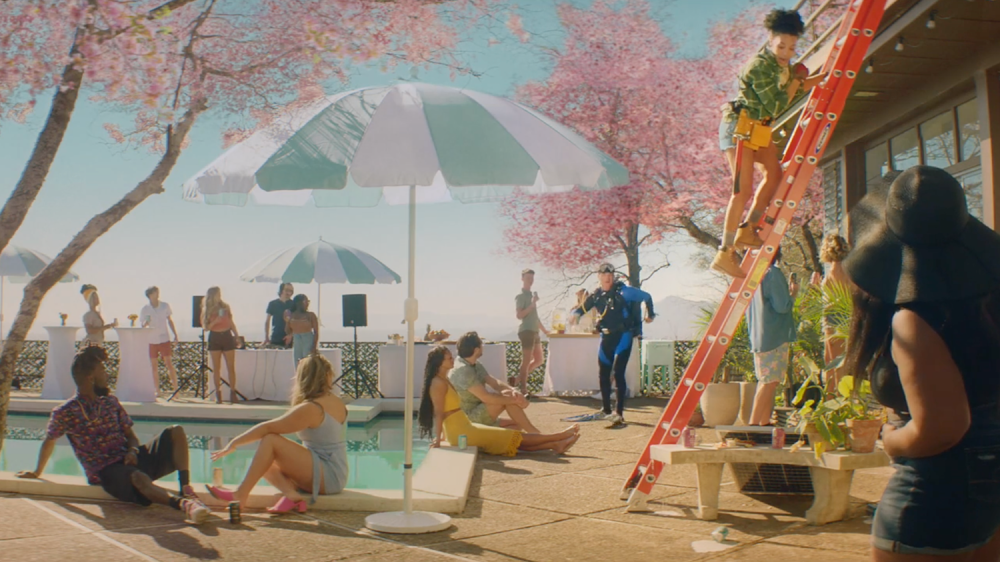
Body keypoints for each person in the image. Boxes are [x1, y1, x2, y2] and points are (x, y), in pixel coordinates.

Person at [843, 166, 1000, 559]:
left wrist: (890, 440)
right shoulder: (986, 306)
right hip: (988, 491)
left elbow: (941, 428)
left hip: (933, 500)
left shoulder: (913, 319)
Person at [15, 346, 210, 524]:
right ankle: (184, 505)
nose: (107, 375)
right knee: (138, 477)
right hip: (107, 472)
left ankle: (186, 490)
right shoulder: (66, 411)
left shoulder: (110, 402)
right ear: (91, 377)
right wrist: (37, 472)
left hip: (131, 460)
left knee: (175, 432)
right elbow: (50, 440)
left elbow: (131, 435)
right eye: (102, 370)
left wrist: (133, 450)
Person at [712, 9, 828, 278]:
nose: (786, 52)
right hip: (738, 127)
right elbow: (777, 103)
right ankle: (724, 251)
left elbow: (795, 89)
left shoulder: (782, 66)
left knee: (775, 175)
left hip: (759, 128)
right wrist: (799, 78)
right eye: (781, 46)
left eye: (791, 47)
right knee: (742, 190)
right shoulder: (759, 66)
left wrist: (823, 78)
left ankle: (747, 229)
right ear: (770, 39)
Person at [207, 354, 348, 514]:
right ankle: (291, 495)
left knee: (270, 441)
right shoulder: (334, 400)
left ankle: (240, 494)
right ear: (327, 376)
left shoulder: (312, 408)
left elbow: (267, 428)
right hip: (335, 472)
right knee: (262, 459)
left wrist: (233, 444)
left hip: (329, 475)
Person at [419, 346, 580, 455]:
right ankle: (558, 436)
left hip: (465, 426)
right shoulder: (437, 383)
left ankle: (554, 445)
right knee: (513, 437)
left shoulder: (444, 379)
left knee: (514, 440)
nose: (452, 360)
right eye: (448, 358)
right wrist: (440, 439)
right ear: (439, 362)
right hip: (462, 431)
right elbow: (439, 412)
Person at [571, 263, 654, 427]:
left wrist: (650, 314)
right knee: (603, 373)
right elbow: (583, 308)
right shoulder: (597, 295)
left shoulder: (625, 292)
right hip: (606, 337)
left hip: (623, 336)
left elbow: (647, 296)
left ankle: (619, 413)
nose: (607, 278)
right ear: (599, 276)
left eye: (610, 275)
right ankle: (607, 410)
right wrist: (575, 315)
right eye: (604, 275)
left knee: (618, 373)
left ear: (613, 276)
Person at [744, 247, 798, 426]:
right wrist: (793, 294)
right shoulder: (772, 273)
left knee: (770, 381)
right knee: (768, 381)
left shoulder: (753, 275)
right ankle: (753, 425)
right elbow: (782, 306)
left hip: (759, 335)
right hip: (774, 334)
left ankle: (764, 423)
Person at [449, 331, 541, 433]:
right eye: (481, 345)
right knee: (507, 399)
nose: (483, 347)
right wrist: (516, 400)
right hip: (468, 416)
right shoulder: (463, 370)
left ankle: (490, 435)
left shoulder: (474, 364)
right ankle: (535, 434)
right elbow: (486, 397)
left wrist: (514, 391)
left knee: (517, 424)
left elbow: (494, 383)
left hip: (478, 409)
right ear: (476, 350)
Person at [811, 234, 851, 395]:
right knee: (832, 363)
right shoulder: (848, 271)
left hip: (834, 320)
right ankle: (832, 400)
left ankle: (835, 400)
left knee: (834, 364)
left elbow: (831, 301)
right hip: (842, 319)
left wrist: (815, 288)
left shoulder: (835, 272)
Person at [203, 286, 241, 404]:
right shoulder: (207, 309)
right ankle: (218, 393)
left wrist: (236, 335)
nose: (220, 296)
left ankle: (233, 392)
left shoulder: (225, 306)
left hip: (227, 335)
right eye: (218, 293)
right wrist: (216, 321)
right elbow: (206, 327)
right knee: (216, 368)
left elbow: (230, 321)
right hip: (215, 336)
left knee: (231, 366)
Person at [514, 268, 548, 395]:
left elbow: (535, 317)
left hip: (534, 330)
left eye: (532, 278)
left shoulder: (531, 295)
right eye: (528, 278)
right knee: (527, 360)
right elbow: (519, 315)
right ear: (522, 279)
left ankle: (517, 380)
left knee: (539, 359)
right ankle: (523, 389)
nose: (530, 281)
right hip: (526, 330)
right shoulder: (521, 296)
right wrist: (532, 304)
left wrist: (545, 330)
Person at [140, 286, 179, 395]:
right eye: (155, 292)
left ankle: (176, 389)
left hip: (164, 338)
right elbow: (142, 324)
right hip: (152, 339)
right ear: (150, 295)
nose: (157, 294)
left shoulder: (164, 306)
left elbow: (169, 320)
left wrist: (175, 334)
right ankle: (157, 390)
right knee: (154, 365)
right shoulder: (145, 309)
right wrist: (146, 323)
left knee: (169, 363)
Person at [286, 294, 319, 369]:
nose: (307, 303)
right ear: (299, 303)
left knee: (308, 363)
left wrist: (314, 346)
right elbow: (288, 331)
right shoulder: (292, 315)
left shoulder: (310, 315)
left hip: (308, 338)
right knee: (297, 363)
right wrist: (287, 321)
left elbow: (316, 332)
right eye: (306, 301)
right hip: (297, 339)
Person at [264, 283, 295, 348]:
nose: (289, 293)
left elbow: (297, 322)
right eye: (287, 290)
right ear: (281, 290)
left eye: (291, 291)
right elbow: (267, 321)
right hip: (276, 337)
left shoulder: (294, 305)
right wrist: (266, 337)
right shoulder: (273, 304)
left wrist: (291, 335)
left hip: (289, 339)